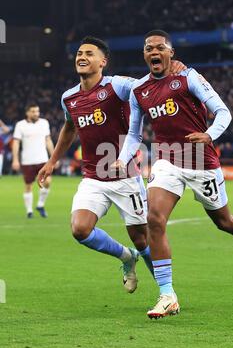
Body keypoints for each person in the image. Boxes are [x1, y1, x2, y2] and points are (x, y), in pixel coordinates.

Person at [114, 29, 233, 319]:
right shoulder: (139, 91)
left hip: (201, 161)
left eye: (160, 47)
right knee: (154, 219)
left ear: (171, 53)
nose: (154, 52)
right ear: (144, 55)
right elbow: (134, 134)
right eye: (148, 48)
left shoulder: (188, 77)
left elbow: (224, 112)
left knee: (225, 222)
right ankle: (167, 295)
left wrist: (209, 135)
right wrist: (122, 159)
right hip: (166, 161)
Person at [37, 36, 186, 293]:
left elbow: (147, 85)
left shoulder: (117, 86)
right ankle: (125, 257)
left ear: (103, 62)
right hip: (93, 178)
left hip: (125, 176)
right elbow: (69, 128)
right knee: (80, 229)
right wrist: (52, 161)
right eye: (79, 53)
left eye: (89, 54)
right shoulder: (69, 98)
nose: (82, 57)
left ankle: (166, 292)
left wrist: (173, 67)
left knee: (142, 240)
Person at [12, 104, 55, 218]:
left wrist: (53, 157)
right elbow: (16, 143)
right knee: (28, 185)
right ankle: (29, 211)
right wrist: (15, 159)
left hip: (43, 159)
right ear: (27, 113)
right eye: (33, 111)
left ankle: (40, 204)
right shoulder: (20, 125)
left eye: (37, 111)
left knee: (47, 182)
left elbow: (48, 140)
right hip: (27, 160)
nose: (36, 113)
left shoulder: (44, 123)